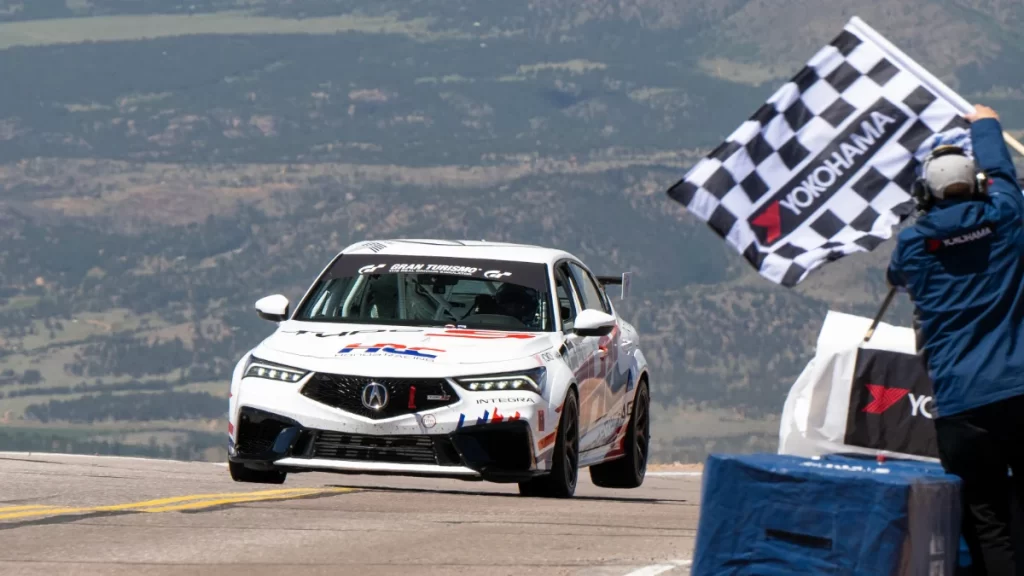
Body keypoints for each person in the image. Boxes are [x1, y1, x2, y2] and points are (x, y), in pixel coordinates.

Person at [887, 104, 1024, 576]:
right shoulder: (1007, 219)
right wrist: (986, 124)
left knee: (988, 521)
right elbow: (1003, 175)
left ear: (926, 193)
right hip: (1019, 390)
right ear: (978, 186)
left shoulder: (913, 246)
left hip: (961, 406)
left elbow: (896, 276)